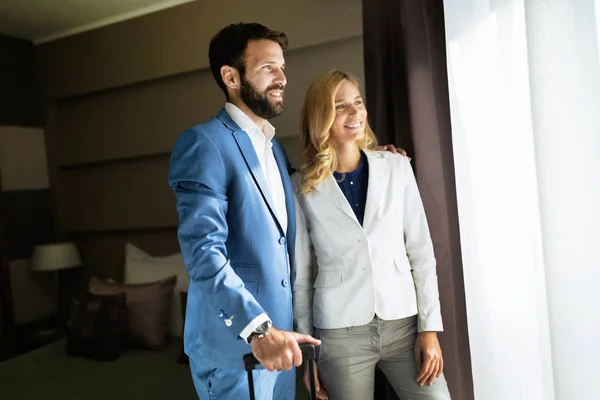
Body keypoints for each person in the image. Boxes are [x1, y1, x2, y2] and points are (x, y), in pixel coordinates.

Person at [169, 23, 405, 400]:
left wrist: (377, 164)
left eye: (282, 68)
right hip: (237, 350)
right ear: (231, 76)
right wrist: (258, 330)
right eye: (267, 68)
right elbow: (202, 253)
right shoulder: (204, 144)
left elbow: (318, 193)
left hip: (283, 349)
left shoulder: (274, 151)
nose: (281, 78)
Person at [293, 69, 452, 400]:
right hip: (340, 332)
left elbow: (421, 251)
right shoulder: (302, 188)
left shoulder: (396, 167)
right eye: (340, 106)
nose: (355, 113)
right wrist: (307, 358)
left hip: (404, 323)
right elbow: (302, 275)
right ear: (320, 116)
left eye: (358, 102)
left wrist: (429, 328)